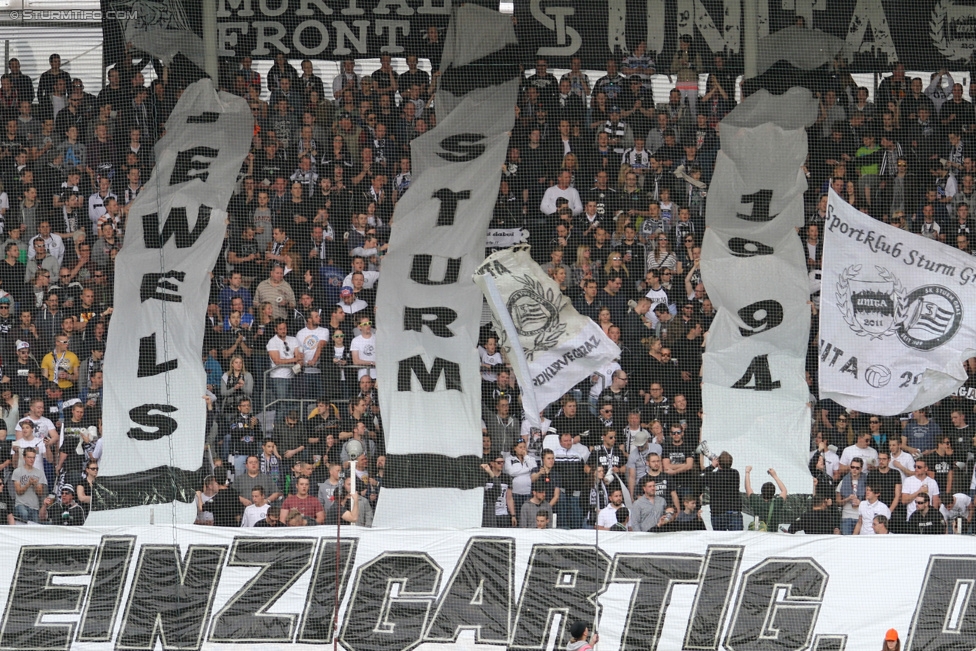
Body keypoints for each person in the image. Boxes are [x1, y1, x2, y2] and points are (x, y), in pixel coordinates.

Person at [699, 450, 742, 530]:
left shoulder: (712, 476)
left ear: (718, 463)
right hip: (734, 512)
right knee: (736, 540)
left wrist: (712, 466)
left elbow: (700, 477)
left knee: (720, 540)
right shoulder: (735, 473)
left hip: (718, 512)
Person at [744, 466, 787, 532]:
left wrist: (747, 472)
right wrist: (774, 475)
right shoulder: (777, 503)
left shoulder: (756, 501)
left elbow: (748, 488)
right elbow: (784, 491)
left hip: (758, 535)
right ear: (774, 493)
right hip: (772, 536)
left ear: (761, 491)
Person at [11, 448, 46, 522]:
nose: (32, 460)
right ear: (24, 457)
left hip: (34, 507)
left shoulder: (39, 473)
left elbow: (40, 493)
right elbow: (18, 492)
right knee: (24, 514)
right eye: (29, 457)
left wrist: (35, 484)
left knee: (35, 528)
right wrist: (28, 484)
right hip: (21, 505)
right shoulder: (17, 471)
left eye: (33, 457)